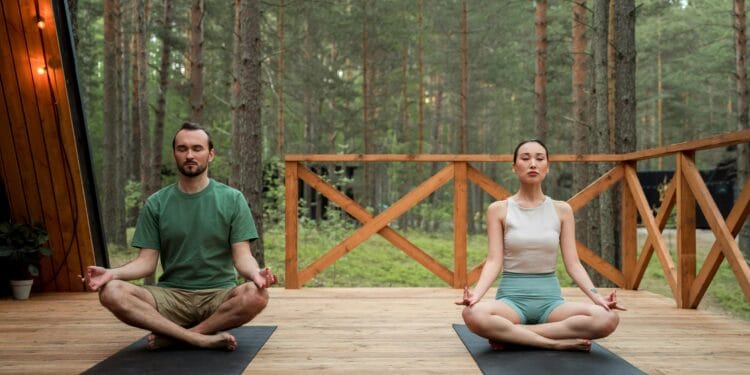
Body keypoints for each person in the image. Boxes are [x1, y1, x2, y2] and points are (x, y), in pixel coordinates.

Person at [82, 122, 276, 351]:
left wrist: (256, 273)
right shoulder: (157, 203)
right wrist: (111, 273)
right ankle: (199, 339)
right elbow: (146, 263)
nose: (190, 155)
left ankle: (186, 335)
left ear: (210, 154)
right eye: (182, 149)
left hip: (218, 296)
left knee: (258, 295)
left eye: (197, 148)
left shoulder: (233, 199)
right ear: (175, 154)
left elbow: (242, 257)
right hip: (171, 297)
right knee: (111, 292)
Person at [455, 139, 624, 352]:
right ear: (515, 167)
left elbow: (573, 264)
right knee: (472, 315)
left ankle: (512, 335)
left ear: (547, 166)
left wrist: (598, 298)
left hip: (551, 303)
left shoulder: (562, 210)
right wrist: (476, 296)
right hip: (511, 303)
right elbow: (493, 261)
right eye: (525, 158)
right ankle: (552, 342)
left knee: (607, 319)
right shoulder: (498, 209)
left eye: (539, 158)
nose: (532, 163)